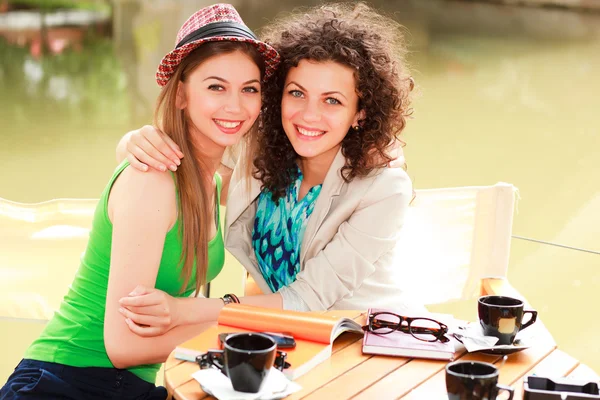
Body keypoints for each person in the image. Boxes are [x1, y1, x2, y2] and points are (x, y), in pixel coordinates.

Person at [0, 4, 280, 399]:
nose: (235, 106)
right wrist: (236, 316)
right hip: (66, 381)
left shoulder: (215, 182)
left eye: (249, 89)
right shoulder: (153, 180)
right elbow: (124, 348)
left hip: (129, 387)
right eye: (216, 86)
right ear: (181, 94)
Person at [115, 2, 422, 337]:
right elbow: (197, 167)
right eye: (297, 93)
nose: (309, 115)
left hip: (374, 344)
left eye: (332, 100)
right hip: (292, 345)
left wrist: (184, 310)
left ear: (360, 112)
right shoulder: (265, 159)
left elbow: (307, 298)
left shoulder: (384, 187)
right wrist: (133, 142)